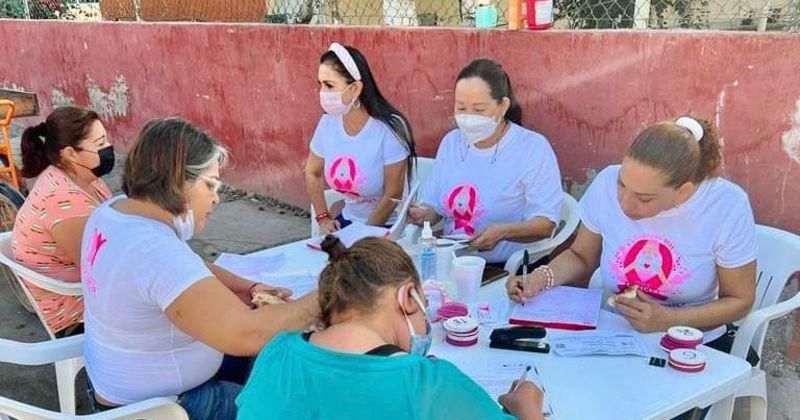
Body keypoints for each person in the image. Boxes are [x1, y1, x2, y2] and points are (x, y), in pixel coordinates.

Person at [81, 117, 319, 420]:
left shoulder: (114, 212)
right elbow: (247, 336)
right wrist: (328, 295)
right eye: (210, 185)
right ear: (179, 182)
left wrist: (247, 287)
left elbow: (186, 264)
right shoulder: (155, 252)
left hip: (117, 386)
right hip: (159, 409)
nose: (216, 198)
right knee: (296, 405)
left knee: (268, 364)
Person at [508, 115, 758, 359]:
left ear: (683, 191)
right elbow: (580, 256)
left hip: (690, 343)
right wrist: (540, 279)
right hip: (613, 332)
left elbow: (740, 300)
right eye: (622, 185)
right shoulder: (606, 182)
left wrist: (669, 320)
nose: (625, 204)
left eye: (644, 198)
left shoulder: (726, 205)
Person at [237, 236, 544, 420]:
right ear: (407, 298)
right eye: (424, 305)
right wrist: (528, 410)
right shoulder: (427, 384)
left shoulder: (276, 351)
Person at [408, 59, 563, 265]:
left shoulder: (532, 149)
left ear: (502, 106)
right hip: (452, 261)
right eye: (461, 108)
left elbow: (545, 224)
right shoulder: (451, 143)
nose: (469, 117)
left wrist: (503, 232)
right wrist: (420, 215)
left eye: (479, 110)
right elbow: (436, 208)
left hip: (505, 267)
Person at [11, 106, 114, 337]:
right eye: (100, 143)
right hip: (76, 315)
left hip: (88, 295)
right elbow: (100, 272)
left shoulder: (85, 177)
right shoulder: (63, 201)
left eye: (106, 139)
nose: (108, 148)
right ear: (69, 153)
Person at [304, 42, 416, 234]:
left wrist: (361, 236)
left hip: (389, 228)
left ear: (355, 89)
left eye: (329, 85)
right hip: (348, 223)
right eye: (320, 85)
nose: (323, 93)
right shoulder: (327, 123)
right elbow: (312, 172)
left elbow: (393, 194)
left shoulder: (390, 128)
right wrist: (323, 217)